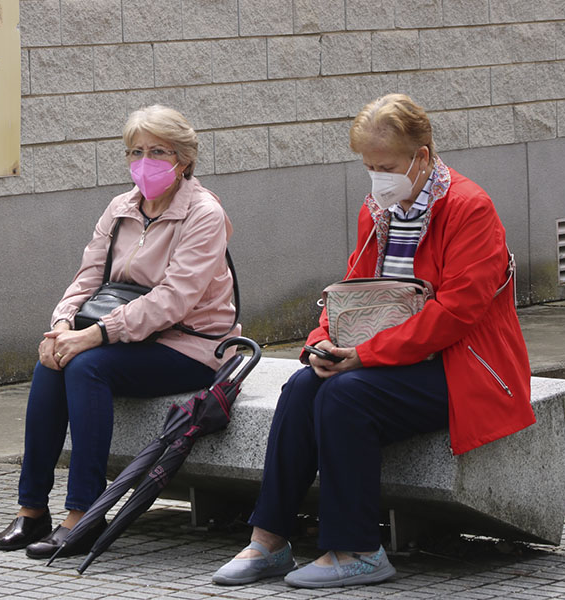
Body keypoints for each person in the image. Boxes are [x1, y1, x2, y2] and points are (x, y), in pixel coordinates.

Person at [211, 93, 535, 589]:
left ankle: (358, 549)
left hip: (463, 369)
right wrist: (322, 344)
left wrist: (363, 355)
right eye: (369, 166)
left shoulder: (471, 208)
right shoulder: (378, 209)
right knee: (302, 387)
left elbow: (456, 315)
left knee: (346, 396)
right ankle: (268, 539)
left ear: (422, 156)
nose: (377, 177)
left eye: (387, 165)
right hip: (393, 363)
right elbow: (351, 295)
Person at [0, 105, 240, 559]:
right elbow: (87, 278)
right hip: (128, 334)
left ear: (183, 159)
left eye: (157, 151)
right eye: (135, 151)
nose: (143, 161)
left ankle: (84, 513)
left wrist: (94, 335)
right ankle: (32, 508)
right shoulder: (121, 207)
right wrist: (62, 326)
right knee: (52, 361)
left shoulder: (204, 214)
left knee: (86, 366)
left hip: (190, 345)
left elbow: (173, 299)